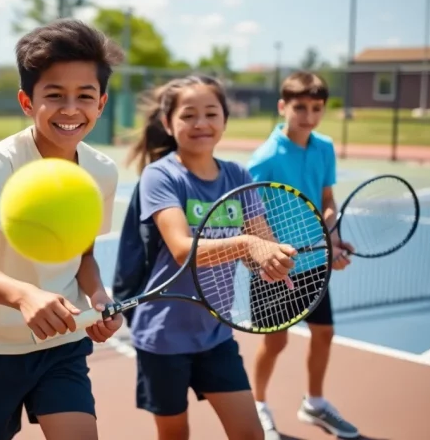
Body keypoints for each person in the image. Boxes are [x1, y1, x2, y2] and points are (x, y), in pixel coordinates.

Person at [0, 19, 125, 440]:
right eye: (54, 95)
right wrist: (24, 295)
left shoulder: (101, 171)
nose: (70, 109)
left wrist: (98, 296)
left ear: (100, 104)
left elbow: (83, 255)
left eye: (84, 96)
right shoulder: (3, 162)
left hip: (61, 345)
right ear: (27, 102)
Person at [114, 75, 296, 440]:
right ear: (168, 124)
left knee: (250, 434)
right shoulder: (161, 176)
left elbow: (260, 248)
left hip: (215, 333)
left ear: (225, 120)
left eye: (211, 113)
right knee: (175, 435)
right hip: (163, 336)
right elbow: (182, 248)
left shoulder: (237, 175)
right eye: (188, 115)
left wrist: (276, 260)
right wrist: (247, 246)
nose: (201, 123)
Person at [247, 71, 359, 440]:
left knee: (324, 333)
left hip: (315, 264)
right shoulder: (264, 159)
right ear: (283, 107)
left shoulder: (324, 147)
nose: (308, 115)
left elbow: (327, 201)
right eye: (300, 107)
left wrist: (334, 240)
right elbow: (251, 218)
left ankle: (315, 403)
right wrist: (272, 257)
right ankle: (258, 405)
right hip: (275, 269)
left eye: (316, 108)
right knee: (275, 341)